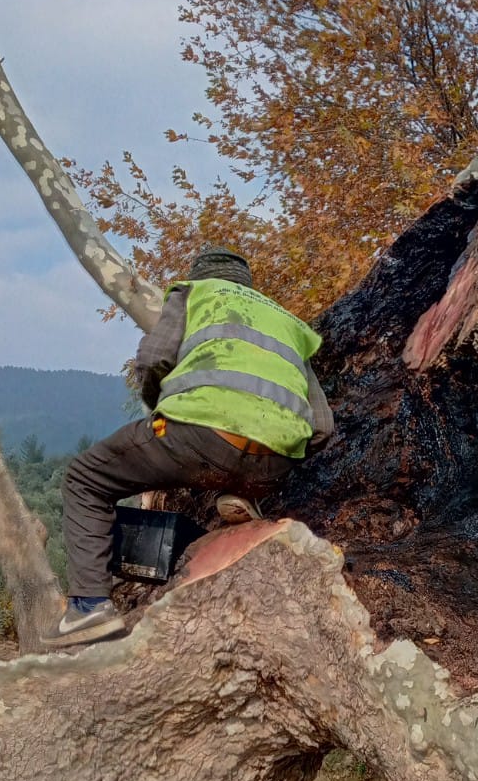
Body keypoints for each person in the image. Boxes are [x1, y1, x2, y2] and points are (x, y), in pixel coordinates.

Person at [43, 246, 334, 647]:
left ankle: (88, 606)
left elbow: (153, 359)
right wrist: (272, 455)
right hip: (274, 465)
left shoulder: (192, 293)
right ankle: (242, 491)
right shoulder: (288, 323)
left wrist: (163, 411)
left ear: (200, 277)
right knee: (236, 459)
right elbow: (322, 427)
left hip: (196, 436)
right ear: (248, 286)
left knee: (85, 478)